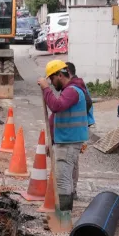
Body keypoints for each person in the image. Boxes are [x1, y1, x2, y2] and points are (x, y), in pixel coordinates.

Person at [38, 59, 89, 211]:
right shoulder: (69, 90)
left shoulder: (72, 91)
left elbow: (56, 106)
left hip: (68, 142)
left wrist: (46, 89)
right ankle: (62, 215)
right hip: (65, 140)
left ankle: (63, 217)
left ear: (60, 75)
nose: (52, 83)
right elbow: (57, 116)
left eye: (52, 79)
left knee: (63, 180)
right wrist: (52, 139)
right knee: (65, 178)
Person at [66, 62, 95, 128]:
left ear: (68, 72)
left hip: (84, 122)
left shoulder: (76, 84)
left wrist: (78, 118)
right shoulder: (77, 83)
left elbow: (88, 102)